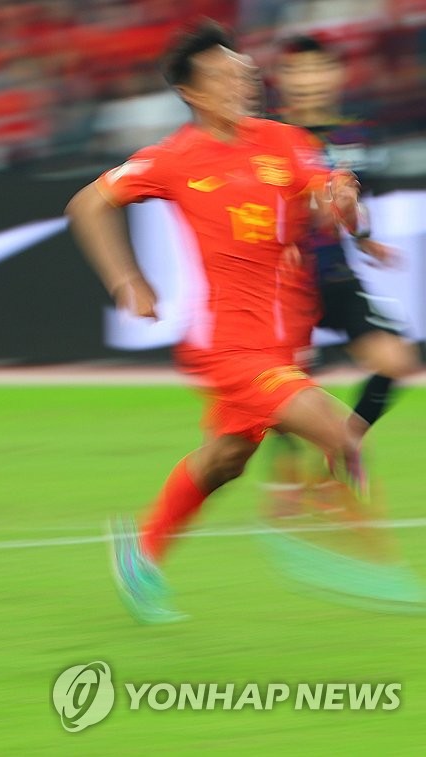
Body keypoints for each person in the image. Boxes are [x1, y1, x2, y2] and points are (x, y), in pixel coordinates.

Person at [65, 22, 371, 624]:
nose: (244, 83)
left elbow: (334, 208)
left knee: (227, 460)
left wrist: (343, 201)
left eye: (245, 73)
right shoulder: (174, 157)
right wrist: (126, 279)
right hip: (229, 346)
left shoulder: (285, 142)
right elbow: (88, 203)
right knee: (343, 433)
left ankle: (142, 553)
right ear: (195, 94)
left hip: (282, 344)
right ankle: (352, 559)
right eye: (227, 77)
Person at [261, 34, 417, 518]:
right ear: (283, 81)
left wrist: (366, 237)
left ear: (334, 76)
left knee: (395, 359)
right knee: (281, 384)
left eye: (316, 69)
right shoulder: (263, 136)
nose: (307, 80)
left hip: (335, 275)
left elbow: (356, 202)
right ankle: (287, 475)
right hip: (280, 282)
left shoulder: (356, 137)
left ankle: (342, 445)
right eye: (297, 71)